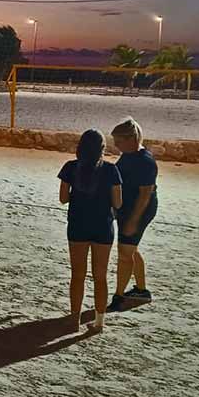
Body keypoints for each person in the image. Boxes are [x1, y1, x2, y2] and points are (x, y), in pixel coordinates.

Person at [58, 129, 123, 332]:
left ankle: (74, 318)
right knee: (100, 275)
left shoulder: (70, 168)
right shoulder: (111, 170)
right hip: (102, 226)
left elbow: (63, 198)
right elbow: (118, 203)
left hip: (78, 224)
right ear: (101, 149)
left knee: (77, 274)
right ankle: (99, 321)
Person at [109, 118, 158, 312]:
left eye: (119, 142)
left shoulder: (146, 162)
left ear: (131, 139)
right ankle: (141, 290)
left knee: (124, 253)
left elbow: (145, 195)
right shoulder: (128, 155)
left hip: (139, 209)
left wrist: (133, 220)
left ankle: (119, 295)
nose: (116, 146)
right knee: (130, 249)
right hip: (127, 207)